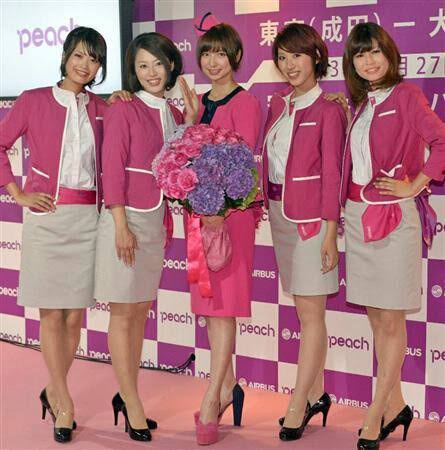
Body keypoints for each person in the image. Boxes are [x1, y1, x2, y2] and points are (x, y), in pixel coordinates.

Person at [0, 27, 107, 443]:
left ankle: (52, 388)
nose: (85, 65)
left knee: (74, 316)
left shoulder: (102, 107)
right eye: (79, 55)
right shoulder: (32, 100)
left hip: (88, 221)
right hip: (47, 218)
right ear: (64, 56)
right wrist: (18, 193)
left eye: (93, 59)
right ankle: (64, 401)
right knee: (52, 316)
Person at [341, 22, 445, 450]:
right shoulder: (361, 103)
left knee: (391, 320)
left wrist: (415, 184)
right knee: (376, 319)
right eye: (359, 54)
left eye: (374, 52)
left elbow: (441, 141)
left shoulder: (407, 95)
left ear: (389, 54)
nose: (368, 61)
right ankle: (397, 405)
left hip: (394, 220)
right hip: (358, 218)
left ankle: (375, 412)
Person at [94, 32, 198, 442]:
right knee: (123, 313)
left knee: (139, 313)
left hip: (155, 221)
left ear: (171, 65)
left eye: (158, 63)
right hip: (126, 219)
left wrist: (191, 121)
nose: (151, 72)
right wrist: (119, 224)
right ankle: (132, 402)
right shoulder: (124, 107)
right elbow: (112, 166)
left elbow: (178, 161)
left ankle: (126, 394)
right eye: (142, 65)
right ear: (132, 71)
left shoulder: (171, 111)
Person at [262, 23, 347, 441]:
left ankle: (298, 404)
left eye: (296, 55)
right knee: (304, 311)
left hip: (313, 221)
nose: (289, 64)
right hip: (280, 216)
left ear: (316, 56)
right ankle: (316, 394)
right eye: (282, 57)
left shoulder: (329, 109)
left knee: (311, 313)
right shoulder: (279, 104)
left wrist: (330, 231)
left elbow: (333, 175)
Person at [188, 23, 262, 445]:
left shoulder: (246, 102)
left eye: (221, 53)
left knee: (224, 308)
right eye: (206, 53)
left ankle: (211, 397)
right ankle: (229, 386)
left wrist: (220, 210)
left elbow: (244, 169)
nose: (213, 62)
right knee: (211, 307)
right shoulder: (198, 103)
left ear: (235, 57)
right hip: (201, 217)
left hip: (231, 218)